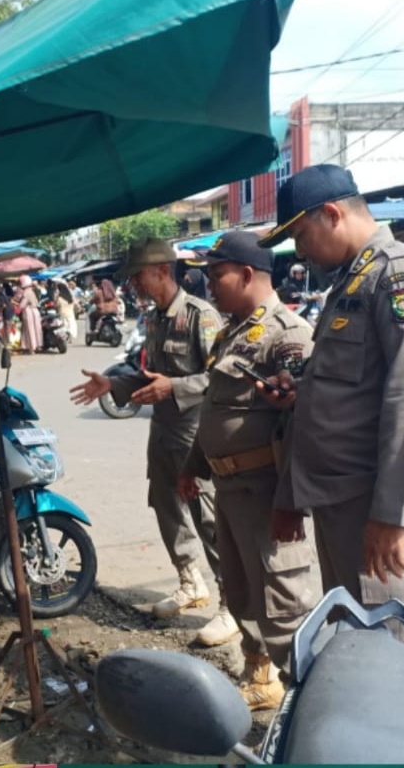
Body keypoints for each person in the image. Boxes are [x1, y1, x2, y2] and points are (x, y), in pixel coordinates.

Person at [256, 164, 404, 643]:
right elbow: (350, 388)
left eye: (301, 236)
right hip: (343, 505)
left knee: (397, 661)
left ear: (331, 214)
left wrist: (391, 516)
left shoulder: (399, 275)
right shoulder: (351, 281)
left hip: (378, 508)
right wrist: (301, 389)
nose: (299, 251)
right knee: (357, 652)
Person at [69, 239, 238, 646]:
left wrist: (173, 387)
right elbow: (152, 381)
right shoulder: (155, 318)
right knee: (166, 509)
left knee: (210, 520)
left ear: (162, 270)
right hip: (163, 434)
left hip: (197, 437)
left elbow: (222, 379)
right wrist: (113, 383)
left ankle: (231, 605)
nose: (134, 284)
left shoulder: (202, 317)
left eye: (139, 275)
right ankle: (190, 581)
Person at [179, 231, 321, 711]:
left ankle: (311, 705)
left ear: (246, 274)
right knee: (241, 595)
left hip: (266, 493)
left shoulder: (288, 333)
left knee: (282, 605)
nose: (209, 285)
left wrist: (292, 502)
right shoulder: (230, 333)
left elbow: (303, 425)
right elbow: (215, 410)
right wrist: (193, 465)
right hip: (228, 487)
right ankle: (261, 680)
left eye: (216, 276)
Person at [15, 274, 42, 354]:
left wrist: (16, 304)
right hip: (36, 311)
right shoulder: (33, 291)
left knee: (30, 330)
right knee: (37, 329)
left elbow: (22, 305)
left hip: (28, 312)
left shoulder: (26, 293)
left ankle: (31, 348)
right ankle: (38, 345)